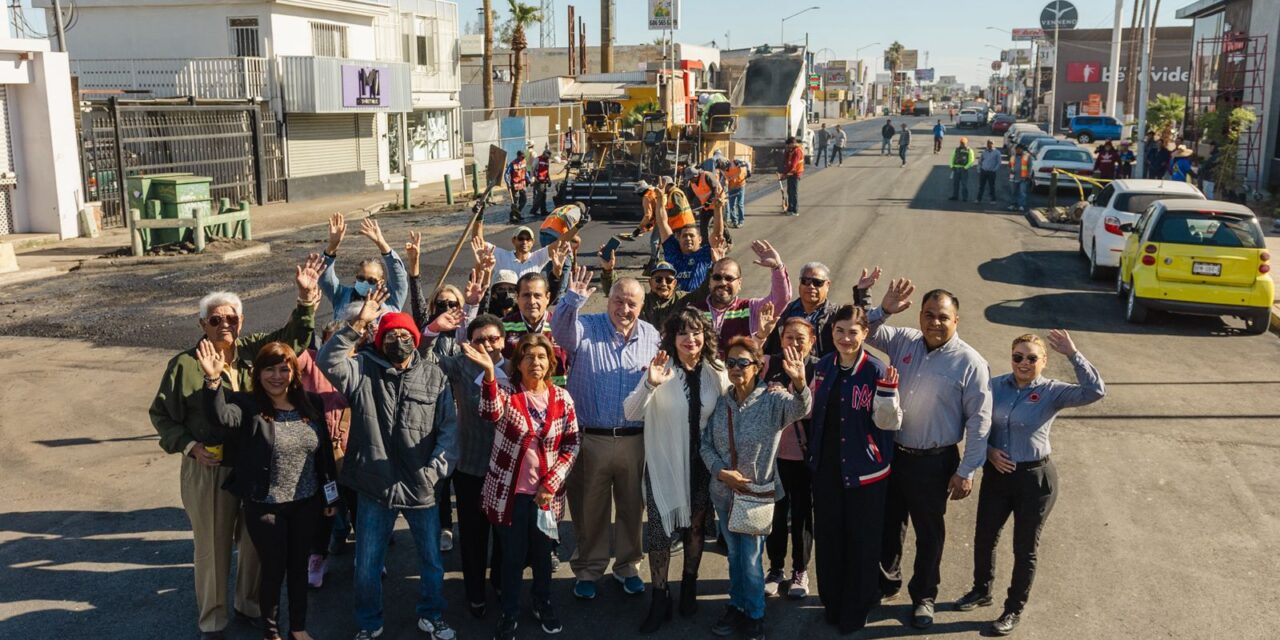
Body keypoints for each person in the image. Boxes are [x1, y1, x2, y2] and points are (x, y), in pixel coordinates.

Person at [149, 255, 323, 639]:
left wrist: (306, 301)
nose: (224, 324)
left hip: (256, 468)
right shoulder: (184, 366)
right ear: (202, 325)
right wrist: (190, 445)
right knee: (212, 548)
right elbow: (162, 416)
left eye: (231, 319)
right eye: (215, 319)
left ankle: (250, 604)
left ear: (241, 322)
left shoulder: (251, 354)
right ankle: (213, 620)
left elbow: (292, 341)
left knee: (255, 544)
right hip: (209, 466)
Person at [317, 290, 458, 640]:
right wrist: (358, 323)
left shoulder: (434, 376)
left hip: (421, 486)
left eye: (406, 335)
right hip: (373, 485)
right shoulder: (362, 371)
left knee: (431, 563)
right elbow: (327, 362)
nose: (399, 340)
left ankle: (432, 615)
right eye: (391, 335)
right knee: (366, 566)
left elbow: (449, 431)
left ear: (415, 338)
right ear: (379, 341)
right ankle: (368, 622)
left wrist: (433, 472)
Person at [954, 330, 1104, 636]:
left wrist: (1074, 355)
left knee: (1025, 548)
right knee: (985, 536)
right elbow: (975, 422)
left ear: (1044, 361)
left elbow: (1095, 391)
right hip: (997, 474)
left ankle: (1013, 610)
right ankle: (981, 590)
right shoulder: (994, 386)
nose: (1024, 363)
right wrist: (988, 452)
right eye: (1018, 357)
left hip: (1034, 480)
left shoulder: (1053, 391)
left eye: (1032, 358)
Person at [870, 280, 993, 630]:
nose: (934, 323)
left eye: (943, 317)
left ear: (956, 320)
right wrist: (884, 309)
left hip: (935, 462)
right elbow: (864, 330)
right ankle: (886, 582)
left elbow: (979, 422)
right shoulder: (904, 340)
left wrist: (968, 469)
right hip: (894, 454)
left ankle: (924, 595)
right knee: (889, 525)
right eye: (928, 315)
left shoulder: (970, 362)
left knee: (929, 533)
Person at [199, 340, 340, 640]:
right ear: (258, 373)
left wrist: (331, 496)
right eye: (269, 369)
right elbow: (219, 416)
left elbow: (324, 453)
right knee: (274, 570)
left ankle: (299, 629)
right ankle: (271, 632)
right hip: (266, 505)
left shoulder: (311, 403)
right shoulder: (248, 406)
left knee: (299, 568)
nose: (276, 376)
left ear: (294, 372)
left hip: (306, 502)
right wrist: (212, 380)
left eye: (283, 369)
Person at [553, 266, 661, 600]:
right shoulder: (587, 327)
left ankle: (627, 567)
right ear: (608, 300)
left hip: (634, 440)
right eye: (618, 301)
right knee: (589, 510)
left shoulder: (652, 336)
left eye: (631, 303)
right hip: (590, 438)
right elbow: (560, 334)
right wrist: (571, 301)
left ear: (641, 306)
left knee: (632, 508)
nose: (623, 309)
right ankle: (588, 568)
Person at [466, 333, 581, 640]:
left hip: (546, 495)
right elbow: (489, 412)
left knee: (544, 555)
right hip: (509, 494)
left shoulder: (562, 398)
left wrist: (552, 481)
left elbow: (572, 443)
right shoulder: (506, 391)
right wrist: (490, 374)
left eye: (542, 357)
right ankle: (509, 611)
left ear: (550, 362)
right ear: (518, 363)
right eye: (528, 356)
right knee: (512, 556)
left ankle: (542, 602)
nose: (536, 362)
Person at [624, 309, 730, 633]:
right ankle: (660, 597)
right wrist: (649, 384)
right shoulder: (660, 368)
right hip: (664, 461)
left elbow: (731, 404)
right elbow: (630, 412)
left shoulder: (715, 370)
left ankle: (688, 587)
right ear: (672, 337)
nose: (690, 339)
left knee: (695, 529)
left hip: (701, 464)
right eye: (682, 333)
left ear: (705, 336)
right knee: (659, 534)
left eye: (696, 332)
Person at [700, 337, 811, 640]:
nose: (736, 368)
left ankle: (755, 615)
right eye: (731, 363)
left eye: (743, 363)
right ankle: (737, 605)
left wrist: (800, 383)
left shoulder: (773, 401)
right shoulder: (723, 402)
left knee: (750, 560)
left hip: (755, 498)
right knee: (734, 558)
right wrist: (721, 472)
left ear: (758, 366)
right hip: (723, 494)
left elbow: (801, 408)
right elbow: (706, 444)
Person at [807, 306, 903, 634]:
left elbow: (888, 424)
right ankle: (832, 602)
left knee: (862, 543)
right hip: (828, 470)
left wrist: (888, 396)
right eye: (839, 331)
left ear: (864, 334)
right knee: (830, 539)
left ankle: (857, 607)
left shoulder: (877, 369)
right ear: (831, 332)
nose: (846, 338)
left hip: (866, 473)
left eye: (853, 332)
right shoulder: (823, 367)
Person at [435, 314, 509, 618]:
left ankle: (502, 583)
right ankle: (475, 591)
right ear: (470, 342)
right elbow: (429, 355)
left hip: (508, 470)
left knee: (505, 538)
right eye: (480, 339)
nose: (487, 345)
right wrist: (435, 326)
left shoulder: (517, 367)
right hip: (470, 468)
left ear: (503, 340)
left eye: (493, 338)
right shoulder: (460, 365)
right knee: (473, 537)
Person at [761, 318, 820, 602]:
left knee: (801, 516)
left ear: (812, 340)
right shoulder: (769, 364)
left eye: (801, 339)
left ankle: (800, 570)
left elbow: (815, 411)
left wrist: (793, 393)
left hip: (804, 457)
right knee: (774, 513)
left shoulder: (819, 368)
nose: (794, 344)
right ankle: (775, 569)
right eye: (788, 338)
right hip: (773, 456)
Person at [295, 321, 353, 589]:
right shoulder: (312, 363)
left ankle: (367, 554)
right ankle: (318, 555)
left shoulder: (360, 367)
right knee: (323, 508)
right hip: (319, 454)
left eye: (345, 343)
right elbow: (295, 351)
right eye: (331, 341)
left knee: (358, 504)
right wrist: (305, 310)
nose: (337, 349)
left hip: (354, 453)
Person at [689, 241, 793, 357]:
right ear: (710, 282)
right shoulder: (693, 310)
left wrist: (777, 267)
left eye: (729, 278)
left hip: (737, 372)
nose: (723, 282)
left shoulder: (750, 308)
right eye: (717, 277)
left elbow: (781, 299)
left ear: (739, 283)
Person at [764, 262, 878, 358]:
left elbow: (859, 320)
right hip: (784, 374)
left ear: (828, 285)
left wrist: (863, 293)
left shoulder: (836, 314)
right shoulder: (782, 313)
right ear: (800, 284)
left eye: (817, 282)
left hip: (825, 375)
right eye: (806, 281)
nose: (811, 286)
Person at [320, 214, 409, 321]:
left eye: (372, 281)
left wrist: (382, 244)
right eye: (361, 278)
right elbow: (325, 279)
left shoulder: (391, 300)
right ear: (356, 277)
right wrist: (332, 247)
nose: (365, 283)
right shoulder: (341, 296)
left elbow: (399, 277)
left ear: (380, 281)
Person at [602, 254, 713, 330]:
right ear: (650, 283)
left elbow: (704, 291)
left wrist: (715, 266)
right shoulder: (641, 300)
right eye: (658, 279)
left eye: (669, 280)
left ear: (674, 283)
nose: (664, 284)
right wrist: (608, 271)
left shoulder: (683, 299)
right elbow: (617, 292)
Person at [657, 187, 724, 293]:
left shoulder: (706, 254)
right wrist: (660, 200)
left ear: (700, 239)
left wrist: (718, 208)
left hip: (699, 303)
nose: (688, 238)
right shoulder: (673, 252)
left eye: (691, 236)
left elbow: (717, 234)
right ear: (678, 238)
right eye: (684, 236)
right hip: (676, 304)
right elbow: (662, 223)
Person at [539, 201, 588, 299]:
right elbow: (569, 219)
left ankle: (552, 290)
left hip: (543, 233)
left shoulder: (562, 208)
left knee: (552, 261)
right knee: (565, 264)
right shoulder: (576, 209)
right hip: (555, 235)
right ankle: (560, 294)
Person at [474, 224, 552, 278]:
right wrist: (479, 218)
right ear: (513, 240)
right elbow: (478, 242)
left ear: (532, 242)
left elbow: (560, 244)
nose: (524, 242)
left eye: (528, 239)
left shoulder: (538, 258)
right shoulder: (502, 256)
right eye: (521, 238)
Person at [687, 165, 727, 242]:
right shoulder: (692, 183)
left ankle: (728, 240)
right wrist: (688, 206)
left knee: (720, 225)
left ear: (696, 175)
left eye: (691, 178)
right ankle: (705, 243)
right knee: (703, 225)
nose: (690, 180)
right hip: (706, 206)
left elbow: (716, 190)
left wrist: (708, 202)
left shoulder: (707, 176)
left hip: (717, 204)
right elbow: (690, 196)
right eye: (689, 179)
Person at [725, 158, 751, 229]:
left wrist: (748, 171)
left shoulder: (737, 163)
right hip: (731, 187)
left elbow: (747, 163)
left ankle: (741, 221)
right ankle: (734, 221)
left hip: (740, 186)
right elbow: (725, 178)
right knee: (731, 205)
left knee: (739, 204)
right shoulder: (724, 170)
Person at [781, 136, 804, 216]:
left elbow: (793, 165)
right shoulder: (791, 151)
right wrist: (786, 152)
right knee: (789, 191)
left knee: (794, 192)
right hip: (790, 173)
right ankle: (790, 209)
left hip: (795, 173)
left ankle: (795, 210)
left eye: (788, 145)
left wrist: (784, 174)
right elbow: (787, 163)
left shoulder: (797, 151)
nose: (787, 147)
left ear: (792, 144)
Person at [949, 137, 977, 202]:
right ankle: (955, 196)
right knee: (955, 184)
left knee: (964, 184)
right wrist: (951, 166)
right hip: (956, 169)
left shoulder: (969, 150)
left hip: (964, 169)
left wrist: (965, 167)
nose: (962, 144)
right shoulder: (956, 149)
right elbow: (952, 157)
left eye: (963, 143)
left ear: (966, 143)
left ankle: (965, 198)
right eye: (961, 143)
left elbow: (971, 160)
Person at [505, 150, 529, 223]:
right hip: (515, 185)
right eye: (521, 157)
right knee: (514, 202)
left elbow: (525, 172)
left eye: (523, 157)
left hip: (522, 184)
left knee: (524, 200)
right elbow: (506, 174)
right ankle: (512, 216)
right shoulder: (512, 164)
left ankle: (517, 213)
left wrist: (529, 179)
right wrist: (507, 182)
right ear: (518, 156)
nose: (522, 158)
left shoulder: (524, 162)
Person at [1007, 145, 1031, 213]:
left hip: (1023, 178)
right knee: (1013, 192)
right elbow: (1009, 165)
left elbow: (1030, 166)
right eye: (1016, 149)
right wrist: (1010, 170)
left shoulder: (1027, 156)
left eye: (1019, 149)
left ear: (1022, 150)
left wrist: (1028, 175)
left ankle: (1021, 205)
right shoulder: (1013, 157)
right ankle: (1013, 204)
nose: (1018, 150)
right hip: (1013, 177)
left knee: (1022, 192)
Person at [531, 148, 553, 217]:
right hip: (538, 181)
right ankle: (533, 210)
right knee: (540, 195)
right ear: (543, 154)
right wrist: (534, 178)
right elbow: (532, 169)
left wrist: (549, 180)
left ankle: (543, 211)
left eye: (548, 157)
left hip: (544, 181)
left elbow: (547, 171)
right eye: (546, 157)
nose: (547, 158)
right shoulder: (537, 159)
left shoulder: (547, 161)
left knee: (543, 196)